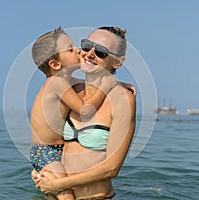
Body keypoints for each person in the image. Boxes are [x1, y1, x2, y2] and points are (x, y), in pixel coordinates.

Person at [33, 26, 136, 199]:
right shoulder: (70, 90)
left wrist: (57, 184)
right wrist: (41, 172)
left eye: (102, 52)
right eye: (87, 46)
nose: (89, 54)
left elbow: (112, 168)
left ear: (117, 62)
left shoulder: (122, 100)